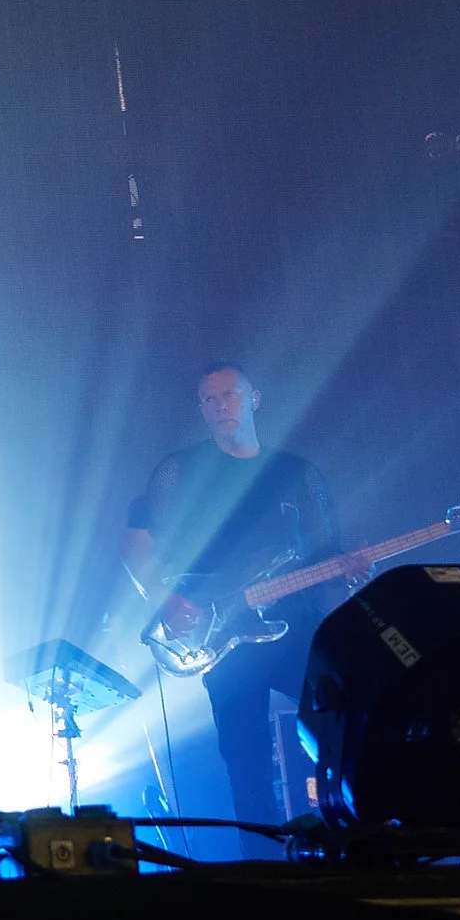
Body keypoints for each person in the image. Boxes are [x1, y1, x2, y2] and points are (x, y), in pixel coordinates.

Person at [121, 363, 347, 853]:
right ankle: (263, 875)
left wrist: (349, 568)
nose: (219, 405)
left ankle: (350, 845)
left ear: (255, 399)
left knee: (345, 728)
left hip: (297, 629)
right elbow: (136, 544)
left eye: (229, 394)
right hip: (222, 635)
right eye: (208, 399)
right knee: (246, 763)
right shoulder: (179, 469)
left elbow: (328, 551)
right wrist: (168, 599)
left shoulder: (297, 472)